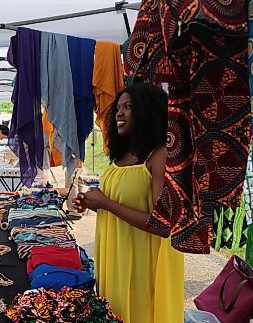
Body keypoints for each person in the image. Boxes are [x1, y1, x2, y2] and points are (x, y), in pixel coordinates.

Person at [73, 83, 184, 323]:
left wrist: (107, 203)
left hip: (140, 267)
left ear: (147, 111)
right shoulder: (122, 156)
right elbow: (117, 196)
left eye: (128, 107)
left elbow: (164, 226)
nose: (119, 113)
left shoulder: (159, 155)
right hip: (114, 259)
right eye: (118, 108)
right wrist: (92, 201)